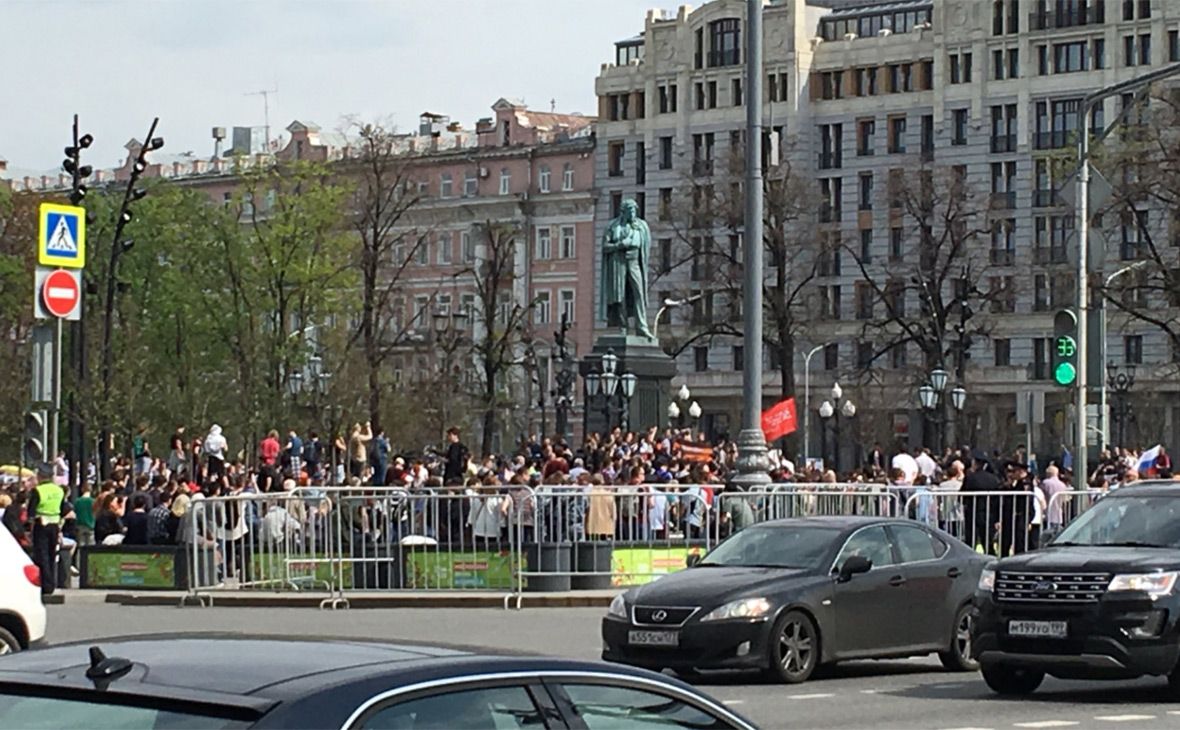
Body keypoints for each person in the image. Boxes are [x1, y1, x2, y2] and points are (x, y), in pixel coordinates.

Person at [27, 463, 68, 595]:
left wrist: (29, 526)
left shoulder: (38, 490)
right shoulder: (59, 490)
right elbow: (63, 509)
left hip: (41, 524)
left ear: (40, 476)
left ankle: (46, 584)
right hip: (54, 525)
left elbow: (31, 512)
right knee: (51, 554)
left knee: (42, 555)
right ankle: (51, 583)